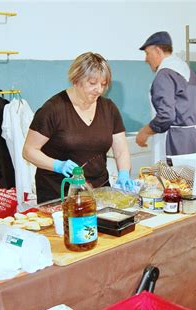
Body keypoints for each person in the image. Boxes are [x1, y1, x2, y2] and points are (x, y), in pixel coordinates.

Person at [23, 52, 135, 203]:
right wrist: (57, 165)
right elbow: (29, 151)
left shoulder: (109, 109)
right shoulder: (53, 109)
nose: (99, 90)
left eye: (103, 84)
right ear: (76, 80)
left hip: (98, 192)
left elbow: (121, 151)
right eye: (92, 83)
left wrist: (123, 173)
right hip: (58, 194)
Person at [135, 31, 196, 159]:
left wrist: (145, 132)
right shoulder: (187, 70)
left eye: (147, 53)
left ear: (158, 51)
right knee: (192, 176)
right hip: (193, 138)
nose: (146, 59)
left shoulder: (164, 74)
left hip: (174, 142)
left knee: (172, 178)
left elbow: (166, 116)